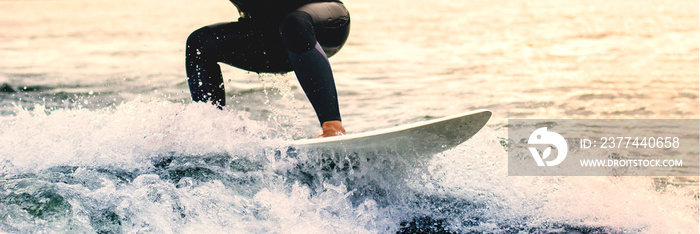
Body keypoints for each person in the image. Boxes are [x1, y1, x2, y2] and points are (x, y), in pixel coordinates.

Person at [185, 0, 350, 138]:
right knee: (199, 43)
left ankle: (332, 127)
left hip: (323, 24)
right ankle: (212, 134)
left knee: (294, 24)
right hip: (270, 41)